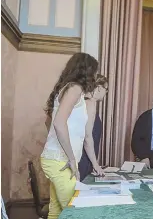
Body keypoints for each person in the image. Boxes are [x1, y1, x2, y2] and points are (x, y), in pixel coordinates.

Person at [40, 53, 105, 219]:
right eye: (94, 72)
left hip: (55, 159)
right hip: (59, 161)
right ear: (86, 71)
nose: (95, 76)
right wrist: (71, 158)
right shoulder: (74, 88)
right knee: (76, 213)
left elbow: (53, 123)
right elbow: (58, 123)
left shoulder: (70, 89)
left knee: (56, 212)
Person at [78, 74, 108, 181]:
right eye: (106, 89)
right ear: (99, 88)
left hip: (85, 157)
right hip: (83, 158)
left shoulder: (84, 102)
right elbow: (87, 137)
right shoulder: (89, 104)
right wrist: (95, 164)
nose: (106, 92)